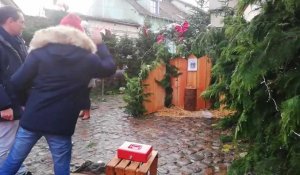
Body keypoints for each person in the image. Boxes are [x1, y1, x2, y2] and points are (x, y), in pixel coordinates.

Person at [0, 13, 116, 175]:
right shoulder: (87, 58)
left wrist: (25, 102)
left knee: (13, 162)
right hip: (61, 123)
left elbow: (16, 82)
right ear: (80, 35)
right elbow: (109, 68)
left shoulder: (39, 53)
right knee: (61, 168)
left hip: (33, 118)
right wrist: (101, 45)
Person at [0, 6, 31, 175]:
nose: (23, 26)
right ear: (9, 21)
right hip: (6, 105)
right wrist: (3, 105)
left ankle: (19, 170)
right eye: (21, 22)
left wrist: (25, 101)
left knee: (15, 142)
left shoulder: (17, 41)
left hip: (18, 102)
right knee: (4, 145)